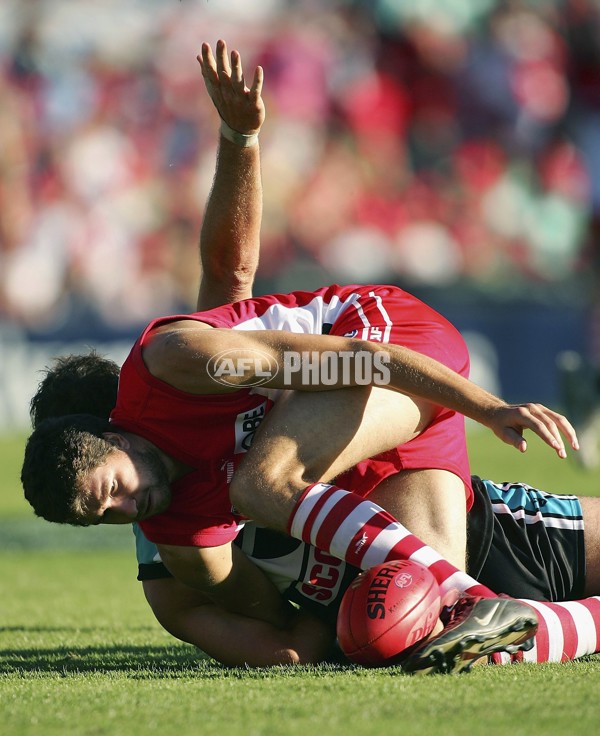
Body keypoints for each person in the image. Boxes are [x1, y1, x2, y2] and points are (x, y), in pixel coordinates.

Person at [22, 40, 587, 674]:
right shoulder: (178, 552)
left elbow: (343, 352)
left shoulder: (177, 373)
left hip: (388, 349)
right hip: (393, 486)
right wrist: (354, 628)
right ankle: (536, 618)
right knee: (425, 639)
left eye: (115, 489)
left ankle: (475, 598)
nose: (129, 509)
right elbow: (293, 640)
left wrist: (487, 407)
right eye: (104, 515)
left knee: (262, 485)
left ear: (117, 424)